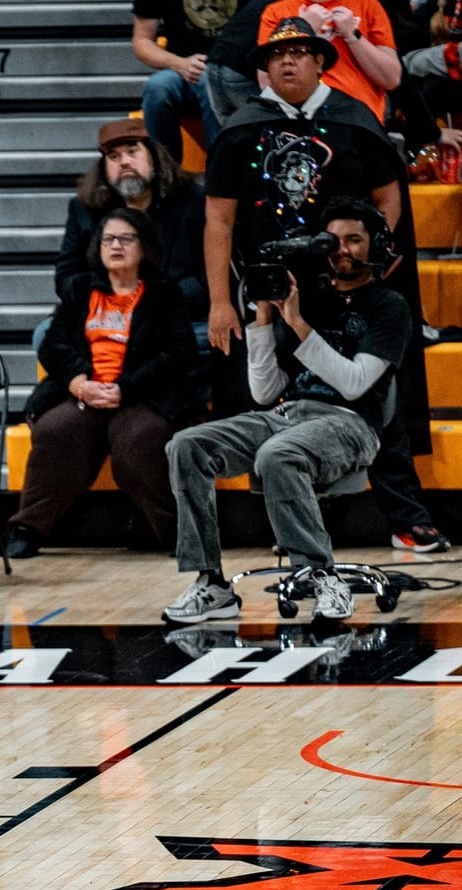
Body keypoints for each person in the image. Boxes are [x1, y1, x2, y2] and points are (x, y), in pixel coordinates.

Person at [206, 17, 448, 551]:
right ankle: (289, 523)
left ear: (321, 61)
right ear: (264, 68)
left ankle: (405, 517)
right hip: (276, 292)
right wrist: (222, 301)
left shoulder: (354, 119)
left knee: (376, 404)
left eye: (299, 52)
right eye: (276, 54)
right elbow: (218, 220)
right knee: (277, 407)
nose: (287, 61)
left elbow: (390, 196)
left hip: (348, 290)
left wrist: (374, 259)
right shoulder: (242, 127)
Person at [163, 200, 409, 624]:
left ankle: (319, 573)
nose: (343, 250)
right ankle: (209, 582)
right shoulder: (309, 299)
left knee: (277, 453)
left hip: (351, 423)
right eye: (334, 241)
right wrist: (263, 318)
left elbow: (353, 384)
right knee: (187, 445)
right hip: (288, 413)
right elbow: (264, 392)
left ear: (377, 244)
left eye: (355, 239)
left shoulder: (388, 306)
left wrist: (297, 324)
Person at [11, 209, 198, 559]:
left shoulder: (163, 292)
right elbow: (54, 345)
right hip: (86, 390)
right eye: (108, 239)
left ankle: (176, 529)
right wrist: (79, 381)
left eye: (126, 238)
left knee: (137, 438)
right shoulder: (79, 289)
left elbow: (179, 351)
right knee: (57, 429)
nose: (115, 245)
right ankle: (28, 528)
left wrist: (127, 387)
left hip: (144, 395)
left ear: (144, 247)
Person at [52, 120, 207, 325]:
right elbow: (66, 277)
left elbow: (211, 277)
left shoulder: (193, 200)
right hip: (108, 317)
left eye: (132, 152)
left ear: (153, 157)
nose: (124, 162)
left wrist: (159, 302)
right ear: (104, 167)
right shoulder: (84, 209)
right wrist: (112, 299)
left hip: (178, 316)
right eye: (113, 156)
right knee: (44, 335)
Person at [132, 0, 252, 159]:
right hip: (183, 71)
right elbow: (142, 42)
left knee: (207, 81)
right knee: (157, 86)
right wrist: (179, 64)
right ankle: (166, 172)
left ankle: (220, 172)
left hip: (237, 76)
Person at [256, 0, 400, 124]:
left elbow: (391, 79)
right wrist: (304, 30)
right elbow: (266, 83)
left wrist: (353, 36)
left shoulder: (368, 5)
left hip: (359, 119)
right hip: (300, 119)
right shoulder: (277, 11)